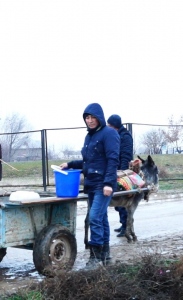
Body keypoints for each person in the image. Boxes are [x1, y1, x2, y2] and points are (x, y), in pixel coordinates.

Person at [60, 103, 120, 267]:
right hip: (92, 184)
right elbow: (89, 161)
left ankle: (94, 257)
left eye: (93, 117)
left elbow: (113, 160)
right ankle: (106, 256)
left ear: (99, 117)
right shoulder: (90, 136)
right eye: (87, 117)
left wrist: (108, 183)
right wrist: (70, 164)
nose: (90, 120)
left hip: (103, 184)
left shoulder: (109, 134)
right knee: (101, 218)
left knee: (94, 218)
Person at [107, 114, 134, 238]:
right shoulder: (116, 135)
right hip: (116, 170)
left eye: (110, 125)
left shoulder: (125, 136)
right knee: (117, 201)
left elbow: (125, 155)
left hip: (122, 172)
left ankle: (126, 226)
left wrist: (122, 172)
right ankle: (123, 224)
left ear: (115, 125)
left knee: (123, 200)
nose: (108, 127)